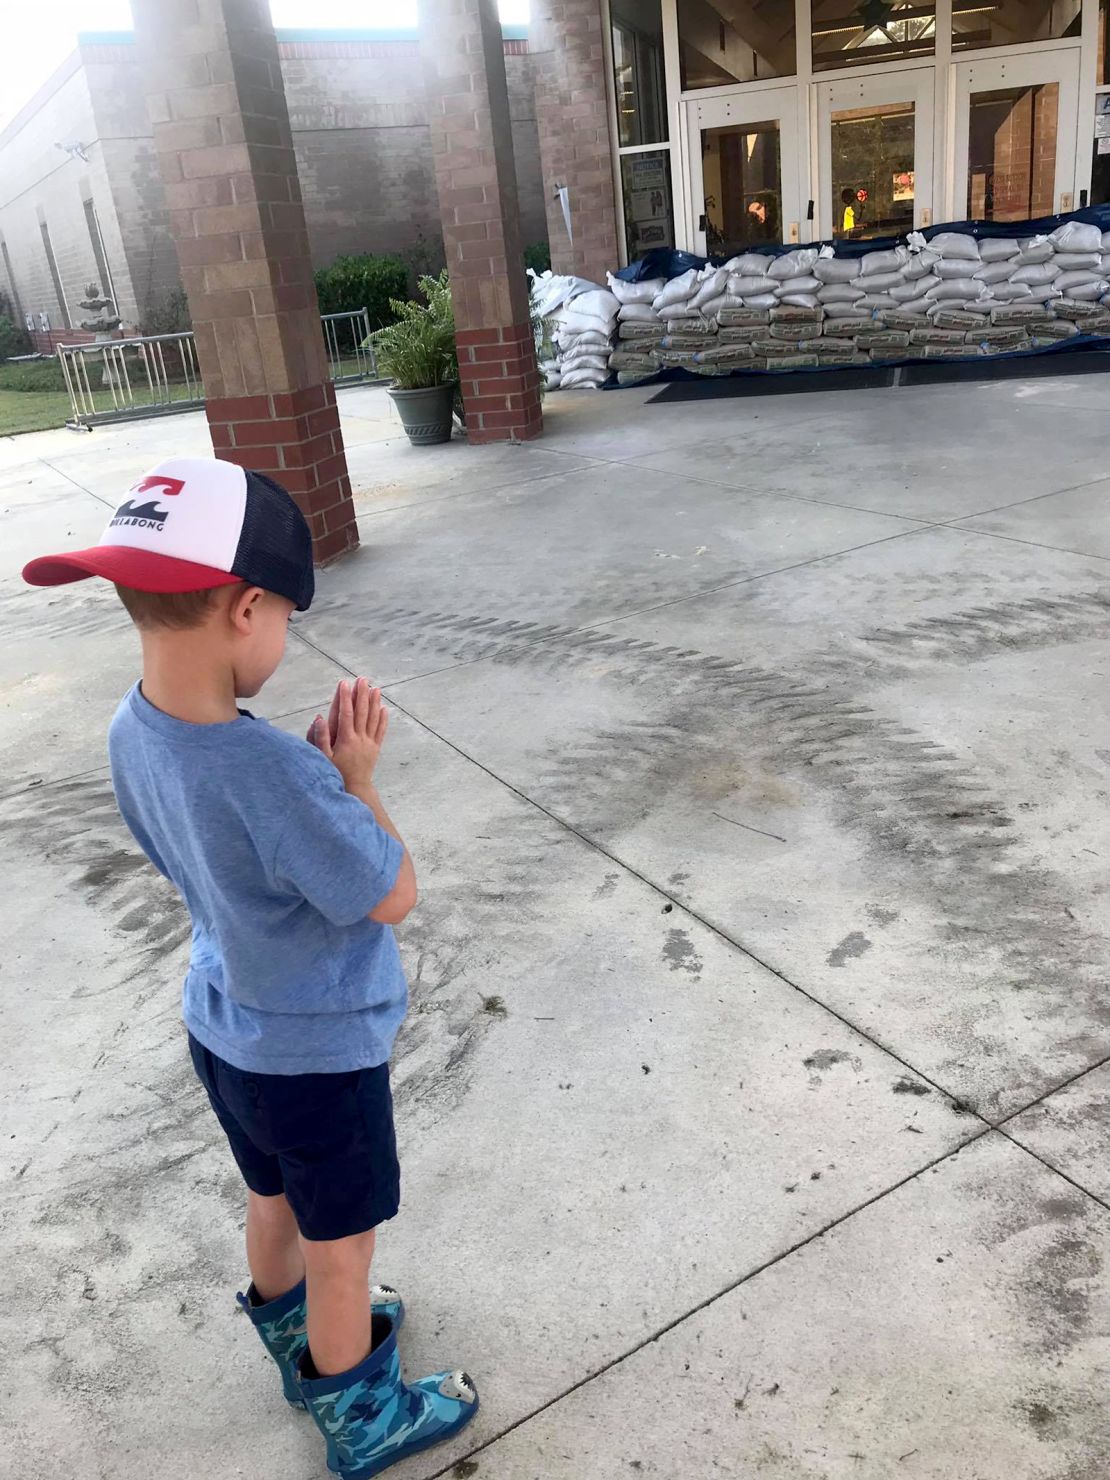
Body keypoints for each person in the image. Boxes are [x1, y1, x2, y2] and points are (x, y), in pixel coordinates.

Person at [21, 457, 478, 1478]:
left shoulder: (129, 730)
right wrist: (354, 779)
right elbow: (391, 891)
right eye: (286, 622)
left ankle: (297, 1338)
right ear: (249, 608)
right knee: (343, 1242)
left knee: (272, 1199)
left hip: (225, 1031)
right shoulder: (275, 771)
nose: (284, 641)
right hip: (316, 1052)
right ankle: (360, 1410)